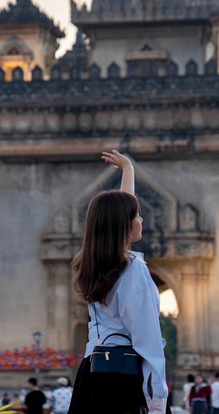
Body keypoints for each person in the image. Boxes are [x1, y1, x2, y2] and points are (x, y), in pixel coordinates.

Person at [67, 151, 169, 414]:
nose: (141, 220)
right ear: (124, 224)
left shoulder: (93, 263)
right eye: (136, 216)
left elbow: (120, 210)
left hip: (92, 374)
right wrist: (157, 401)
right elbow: (148, 341)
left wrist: (128, 171)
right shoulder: (133, 270)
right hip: (124, 379)